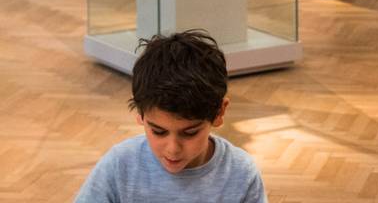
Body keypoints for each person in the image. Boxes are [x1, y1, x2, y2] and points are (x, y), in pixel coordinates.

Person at [74, 30, 267, 202]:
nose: (173, 149)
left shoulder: (241, 174)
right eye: (158, 132)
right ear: (140, 113)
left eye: (190, 133)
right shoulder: (119, 165)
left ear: (219, 112)